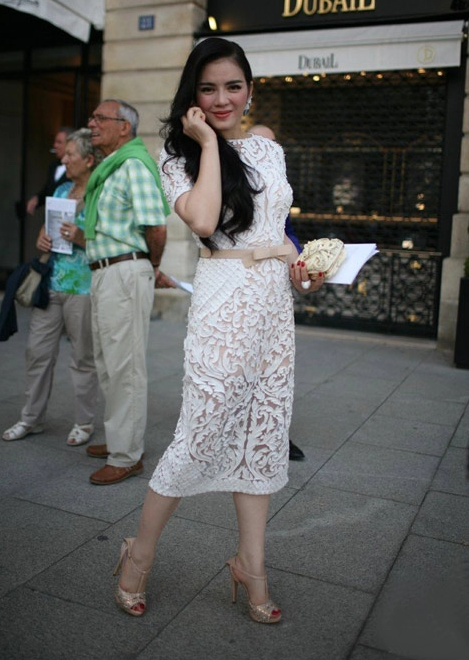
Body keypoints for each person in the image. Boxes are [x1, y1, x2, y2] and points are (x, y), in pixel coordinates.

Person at [112, 38, 324, 623]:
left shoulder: (268, 148)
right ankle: (138, 555)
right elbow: (204, 220)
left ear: (251, 89)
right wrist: (207, 141)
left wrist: (301, 269)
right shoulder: (176, 156)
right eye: (209, 88)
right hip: (223, 301)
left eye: (234, 86)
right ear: (193, 96)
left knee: (263, 431)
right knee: (201, 430)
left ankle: (250, 566)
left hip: (273, 305)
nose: (223, 98)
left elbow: (278, 232)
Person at [84, 99, 173, 486]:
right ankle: (120, 436)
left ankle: (127, 456)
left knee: (125, 365)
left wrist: (152, 267)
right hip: (106, 272)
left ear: (125, 127)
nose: (92, 124)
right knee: (108, 361)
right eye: (93, 118)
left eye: (100, 118)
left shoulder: (133, 165)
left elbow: (156, 226)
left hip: (124, 270)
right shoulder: (111, 169)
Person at [3, 128, 100, 446]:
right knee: (38, 353)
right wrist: (42, 236)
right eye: (65, 153)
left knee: (82, 358)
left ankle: (84, 423)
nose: (65, 158)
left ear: (88, 159)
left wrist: (82, 237)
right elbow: (48, 226)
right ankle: (31, 419)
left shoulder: (101, 193)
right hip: (51, 282)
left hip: (83, 287)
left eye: (71, 154)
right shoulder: (60, 190)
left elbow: (111, 242)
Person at [250, 124, 305, 462]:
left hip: (276, 288)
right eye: (261, 144)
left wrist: (302, 263)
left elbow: (287, 232)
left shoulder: (279, 188)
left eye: (273, 145)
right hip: (243, 286)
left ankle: (276, 435)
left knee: (274, 368)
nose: (269, 151)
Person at [26, 127, 74, 215]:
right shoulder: (53, 166)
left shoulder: (76, 168)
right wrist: (37, 198)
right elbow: (48, 189)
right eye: (55, 142)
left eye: (59, 142)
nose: (55, 145)